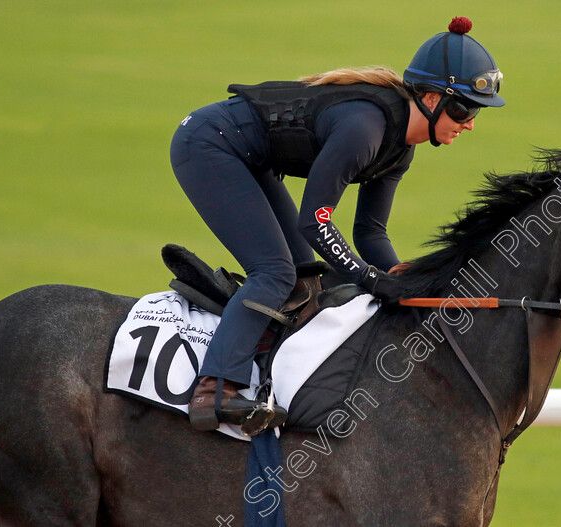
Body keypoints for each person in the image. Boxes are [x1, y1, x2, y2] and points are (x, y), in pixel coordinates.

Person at [169, 16, 504, 433]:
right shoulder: (365, 129)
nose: (470, 122)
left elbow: (370, 233)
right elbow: (316, 220)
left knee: (304, 276)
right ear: (432, 100)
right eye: (465, 107)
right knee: (274, 272)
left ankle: (262, 368)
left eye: (477, 112)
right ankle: (215, 390)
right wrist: (372, 279)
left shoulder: (401, 148)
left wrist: (405, 281)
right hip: (209, 144)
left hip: (251, 158)